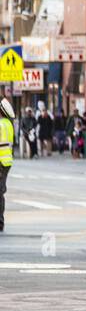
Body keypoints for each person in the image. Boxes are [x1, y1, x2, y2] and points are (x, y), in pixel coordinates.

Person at [0, 97, 14, 232]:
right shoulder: (8, 124)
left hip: (0, 161)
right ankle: (1, 221)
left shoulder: (0, 124)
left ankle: (0, 222)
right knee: (0, 192)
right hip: (6, 161)